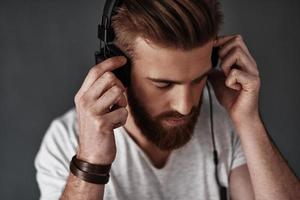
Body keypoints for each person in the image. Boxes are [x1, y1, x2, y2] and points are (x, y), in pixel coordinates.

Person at [34, 0, 300, 199]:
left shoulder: (225, 124)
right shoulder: (66, 140)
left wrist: (248, 121)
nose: (185, 105)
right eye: (163, 84)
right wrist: (91, 161)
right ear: (119, 72)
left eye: (199, 79)